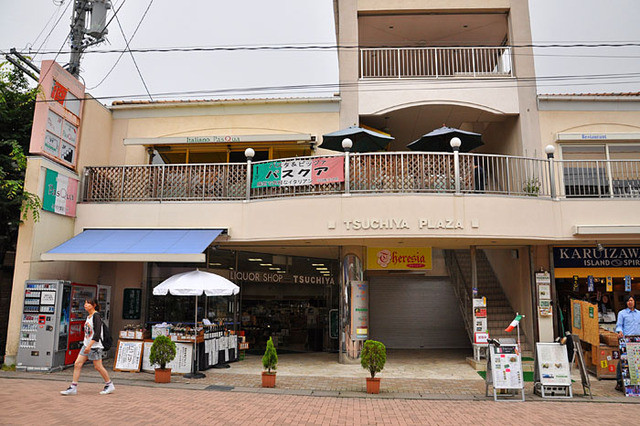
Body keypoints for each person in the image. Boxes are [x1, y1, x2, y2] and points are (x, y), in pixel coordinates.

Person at [60, 298, 115, 395]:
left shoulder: (96, 316)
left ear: (94, 305)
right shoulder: (88, 316)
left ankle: (109, 384)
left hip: (94, 346)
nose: (86, 305)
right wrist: (86, 345)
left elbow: (97, 334)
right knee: (77, 364)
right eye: (85, 303)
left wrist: (89, 346)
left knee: (98, 367)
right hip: (86, 345)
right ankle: (73, 387)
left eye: (88, 303)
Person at [615, 295, 640, 392]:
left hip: (637, 340)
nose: (630, 302)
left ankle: (635, 381)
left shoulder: (639, 313)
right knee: (623, 359)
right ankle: (619, 381)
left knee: (636, 361)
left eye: (632, 300)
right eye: (628, 301)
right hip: (626, 340)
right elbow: (619, 325)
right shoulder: (622, 313)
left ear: (634, 302)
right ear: (626, 302)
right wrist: (620, 332)